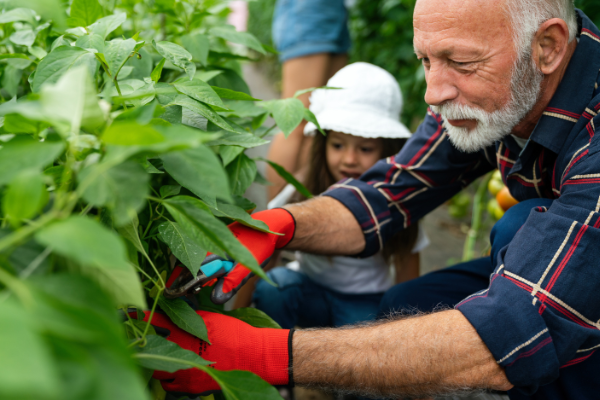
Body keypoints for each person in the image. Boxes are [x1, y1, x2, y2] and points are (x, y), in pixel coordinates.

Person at [146, 0, 600, 399]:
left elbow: (503, 338)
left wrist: (263, 353)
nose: (433, 92)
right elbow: (390, 192)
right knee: (407, 302)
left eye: (460, 62)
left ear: (547, 47)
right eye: (427, 59)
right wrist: (275, 225)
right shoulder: (493, 92)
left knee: (516, 229)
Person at [253, 62, 428, 330]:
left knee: (357, 359)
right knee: (273, 287)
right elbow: (267, 243)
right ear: (322, 144)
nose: (349, 159)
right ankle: (276, 353)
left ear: (386, 148)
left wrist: (404, 327)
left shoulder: (396, 199)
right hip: (309, 291)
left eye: (365, 148)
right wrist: (239, 316)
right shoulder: (305, 187)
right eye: (337, 145)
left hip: (364, 301)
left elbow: (406, 260)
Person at [266, 0, 352, 201]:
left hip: (334, 7)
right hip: (310, 7)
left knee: (321, 119)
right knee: (296, 119)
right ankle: (272, 220)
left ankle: (298, 209)